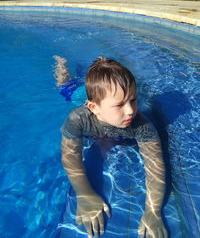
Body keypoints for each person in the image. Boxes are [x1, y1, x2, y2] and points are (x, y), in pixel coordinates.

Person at [56, 56, 168, 238]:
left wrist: (153, 211)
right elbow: (70, 157)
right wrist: (84, 193)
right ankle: (61, 65)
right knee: (65, 87)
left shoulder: (142, 125)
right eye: (120, 104)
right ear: (94, 107)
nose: (131, 110)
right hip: (80, 97)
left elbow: (156, 166)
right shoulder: (78, 119)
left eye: (133, 100)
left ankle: (103, 65)